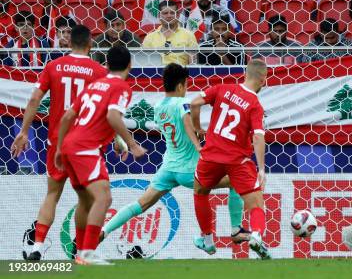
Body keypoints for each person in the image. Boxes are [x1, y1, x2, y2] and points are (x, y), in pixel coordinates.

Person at [99, 63, 249, 244]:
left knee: (141, 203)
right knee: (234, 181)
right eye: (186, 85)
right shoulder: (183, 103)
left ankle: (104, 231)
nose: (186, 89)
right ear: (180, 85)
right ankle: (235, 229)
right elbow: (186, 122)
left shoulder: (159, 106)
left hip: (168, 168)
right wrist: (198, 144)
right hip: (188, 170)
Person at [10, 25, 107, 261]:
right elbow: (106, 111)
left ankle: (38, 247)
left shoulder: (53, 66)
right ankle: (80, 250)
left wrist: (24, 131)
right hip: (85, 145)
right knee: (86, 199)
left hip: (58, 142)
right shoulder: (99, 71)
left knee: (52, 194)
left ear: (67, 42)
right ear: (90, 44)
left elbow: (34, 98)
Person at [55, 46, 147, 265]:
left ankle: (81, 252)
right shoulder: (122, 86)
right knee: (104, 197)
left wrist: (59, 148)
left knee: (85, 201)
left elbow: (68, 116)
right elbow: (113, 115)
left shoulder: (94, 85)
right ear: (129, 66)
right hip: (86, 148)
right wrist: (132, 143)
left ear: (106, 65)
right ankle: (88, 252)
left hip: (70, 145)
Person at [189, 59, 270, 259]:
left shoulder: (222, 89)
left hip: (211, 156)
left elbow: (193, 103)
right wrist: (261, 169)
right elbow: (258, 136)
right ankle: (257, 236)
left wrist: (198, 128)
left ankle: (207, 240)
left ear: (245, 74)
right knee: (256, 202)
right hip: (237, 160)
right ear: (263, 80)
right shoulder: (255, 104)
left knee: (200, 192)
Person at [142, 0, 198, 66]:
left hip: (180, 73)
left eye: (172, 13)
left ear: (177, 15)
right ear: (159, 16)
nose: (169, 16)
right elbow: (144, 62)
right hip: (156, 74)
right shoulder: (150, 37)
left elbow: (193, 64)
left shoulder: (189, 35)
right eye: (165, 13)